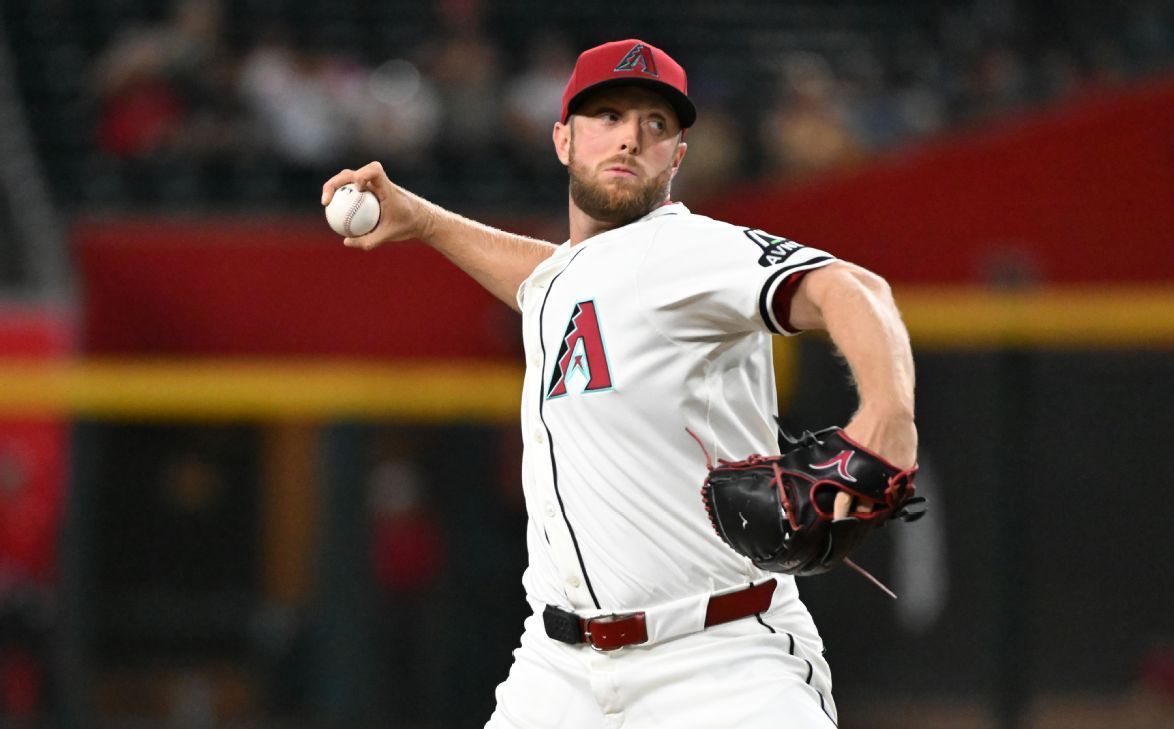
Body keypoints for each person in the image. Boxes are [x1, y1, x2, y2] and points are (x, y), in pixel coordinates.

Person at [321, 38, 917, 728]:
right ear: (563, 140)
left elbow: (852, 287)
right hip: (558, 672)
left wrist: (889, 413)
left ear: (677, 156)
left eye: (655, 123)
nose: (631, 136)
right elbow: (550, 278)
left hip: (718, 665)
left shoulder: (692, 249)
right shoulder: (568, 280)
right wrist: (424, 220)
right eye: (608, 115)